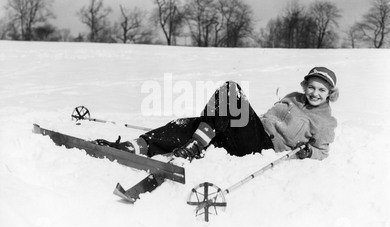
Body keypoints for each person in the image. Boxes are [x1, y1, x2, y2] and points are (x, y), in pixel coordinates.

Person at [96, 67, 339, 161]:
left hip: (261, 146)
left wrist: (308, 151)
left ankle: (197, 144)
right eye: (311, 87)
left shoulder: (326, 121)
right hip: (249, 134)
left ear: (329, 93)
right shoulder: (292, 97)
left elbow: (323, 152)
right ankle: (136, 147)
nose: (315, 93)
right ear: (304, 85)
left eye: (321, 90)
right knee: (188, 124)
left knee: (232, 90)